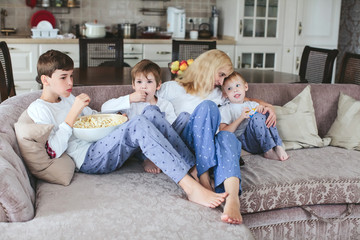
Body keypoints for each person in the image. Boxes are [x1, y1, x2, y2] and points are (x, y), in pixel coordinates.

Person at [26, 50, 228, 209]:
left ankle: (192, 169)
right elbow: (53, 150)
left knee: (151, 113)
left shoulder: (68, 97)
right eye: (64, 77)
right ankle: (190, 186)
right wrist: (73, 114)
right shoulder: (39, 108)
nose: (70, 82)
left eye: (71, 76)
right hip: (87, 157)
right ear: (46, 80)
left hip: (103, 142)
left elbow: (94, 116)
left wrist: (118, 120)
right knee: (139, 121)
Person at [157, 49, 277, 225]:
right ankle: (203, 178)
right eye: (220, 75)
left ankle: (233, 198)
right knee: (208, 107)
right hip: (185, 144)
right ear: (208, 67)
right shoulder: (172, 88)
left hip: (211, 148)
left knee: (226, 137)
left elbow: (244, 100)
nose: (222, 82)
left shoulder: (219, 93)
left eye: (225, 77)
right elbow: (148, 108)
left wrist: (268, 106)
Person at [102, 59, 181, 174]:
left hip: (160, 142)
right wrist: (129, 99)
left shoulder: (165, 104)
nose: (143, 87)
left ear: (158, 85)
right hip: (138, 147)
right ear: (133, 85)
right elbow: (104, 108)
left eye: (149, 82)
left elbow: (172, 129)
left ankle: (157, 156)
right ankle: (146, 158)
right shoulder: (130, 103)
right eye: (139, 82)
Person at [219, 71, 289, 161]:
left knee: (266, 112)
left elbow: (263, 112)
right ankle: (268, 151)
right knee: (256, 117)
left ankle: (278, 145)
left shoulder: (251, 104)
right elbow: (223, 132)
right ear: (225, 94)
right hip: (246, 141)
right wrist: (241, 118)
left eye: (237, 85)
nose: (235, 90)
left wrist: (262, 109)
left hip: (261, 139)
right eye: (229, 88)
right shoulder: (226, 109)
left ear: (245, 87)